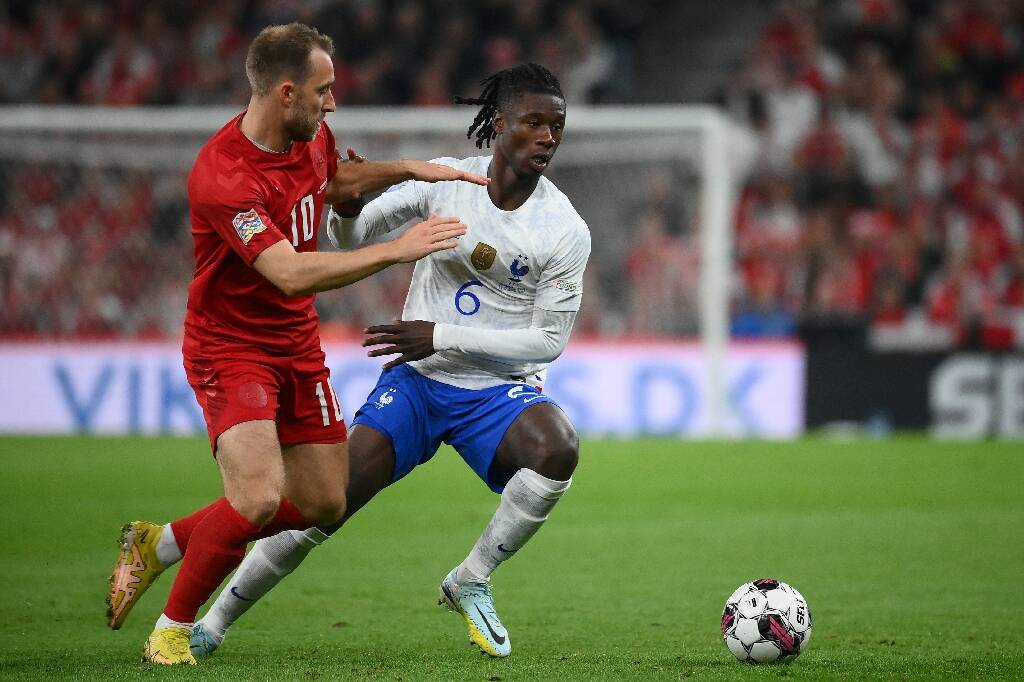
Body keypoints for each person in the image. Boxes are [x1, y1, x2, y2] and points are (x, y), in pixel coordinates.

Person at [104, 23, 488, 666]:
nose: (333, 102)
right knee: (255, 497)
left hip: (293, 343)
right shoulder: (224, 175)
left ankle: (160, 543)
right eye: (324, 90)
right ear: (286, 93)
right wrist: (396, 249)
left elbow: (332, 183)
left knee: (324, 502)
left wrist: (406, 170)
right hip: (230, 346)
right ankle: (171, 630)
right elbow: (286, 272)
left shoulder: (309, 135)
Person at [189, 62, 590, 659]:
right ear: (499, 123)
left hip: (495, 392)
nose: (548, 137)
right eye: (534, 122)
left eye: (556, 126)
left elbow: (547, 344)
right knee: (326, 507)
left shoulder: (563, 229)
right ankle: (212, 624)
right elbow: (349, 238)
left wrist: (442, 335)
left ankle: (471, 579)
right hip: (418, 384)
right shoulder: (447, 183)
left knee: (557, 448)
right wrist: (348, 202)